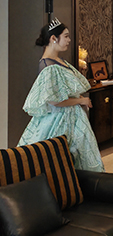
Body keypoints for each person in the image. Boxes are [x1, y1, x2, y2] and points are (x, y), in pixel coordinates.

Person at [18, 18, 104, 172]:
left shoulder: (57, 61)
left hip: (70, 117)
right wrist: (81, 100)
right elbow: (54, 100)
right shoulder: (48, 66)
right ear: (53, 38)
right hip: (60, 119)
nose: (69, 40)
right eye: (66, 36)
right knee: (60, 159)